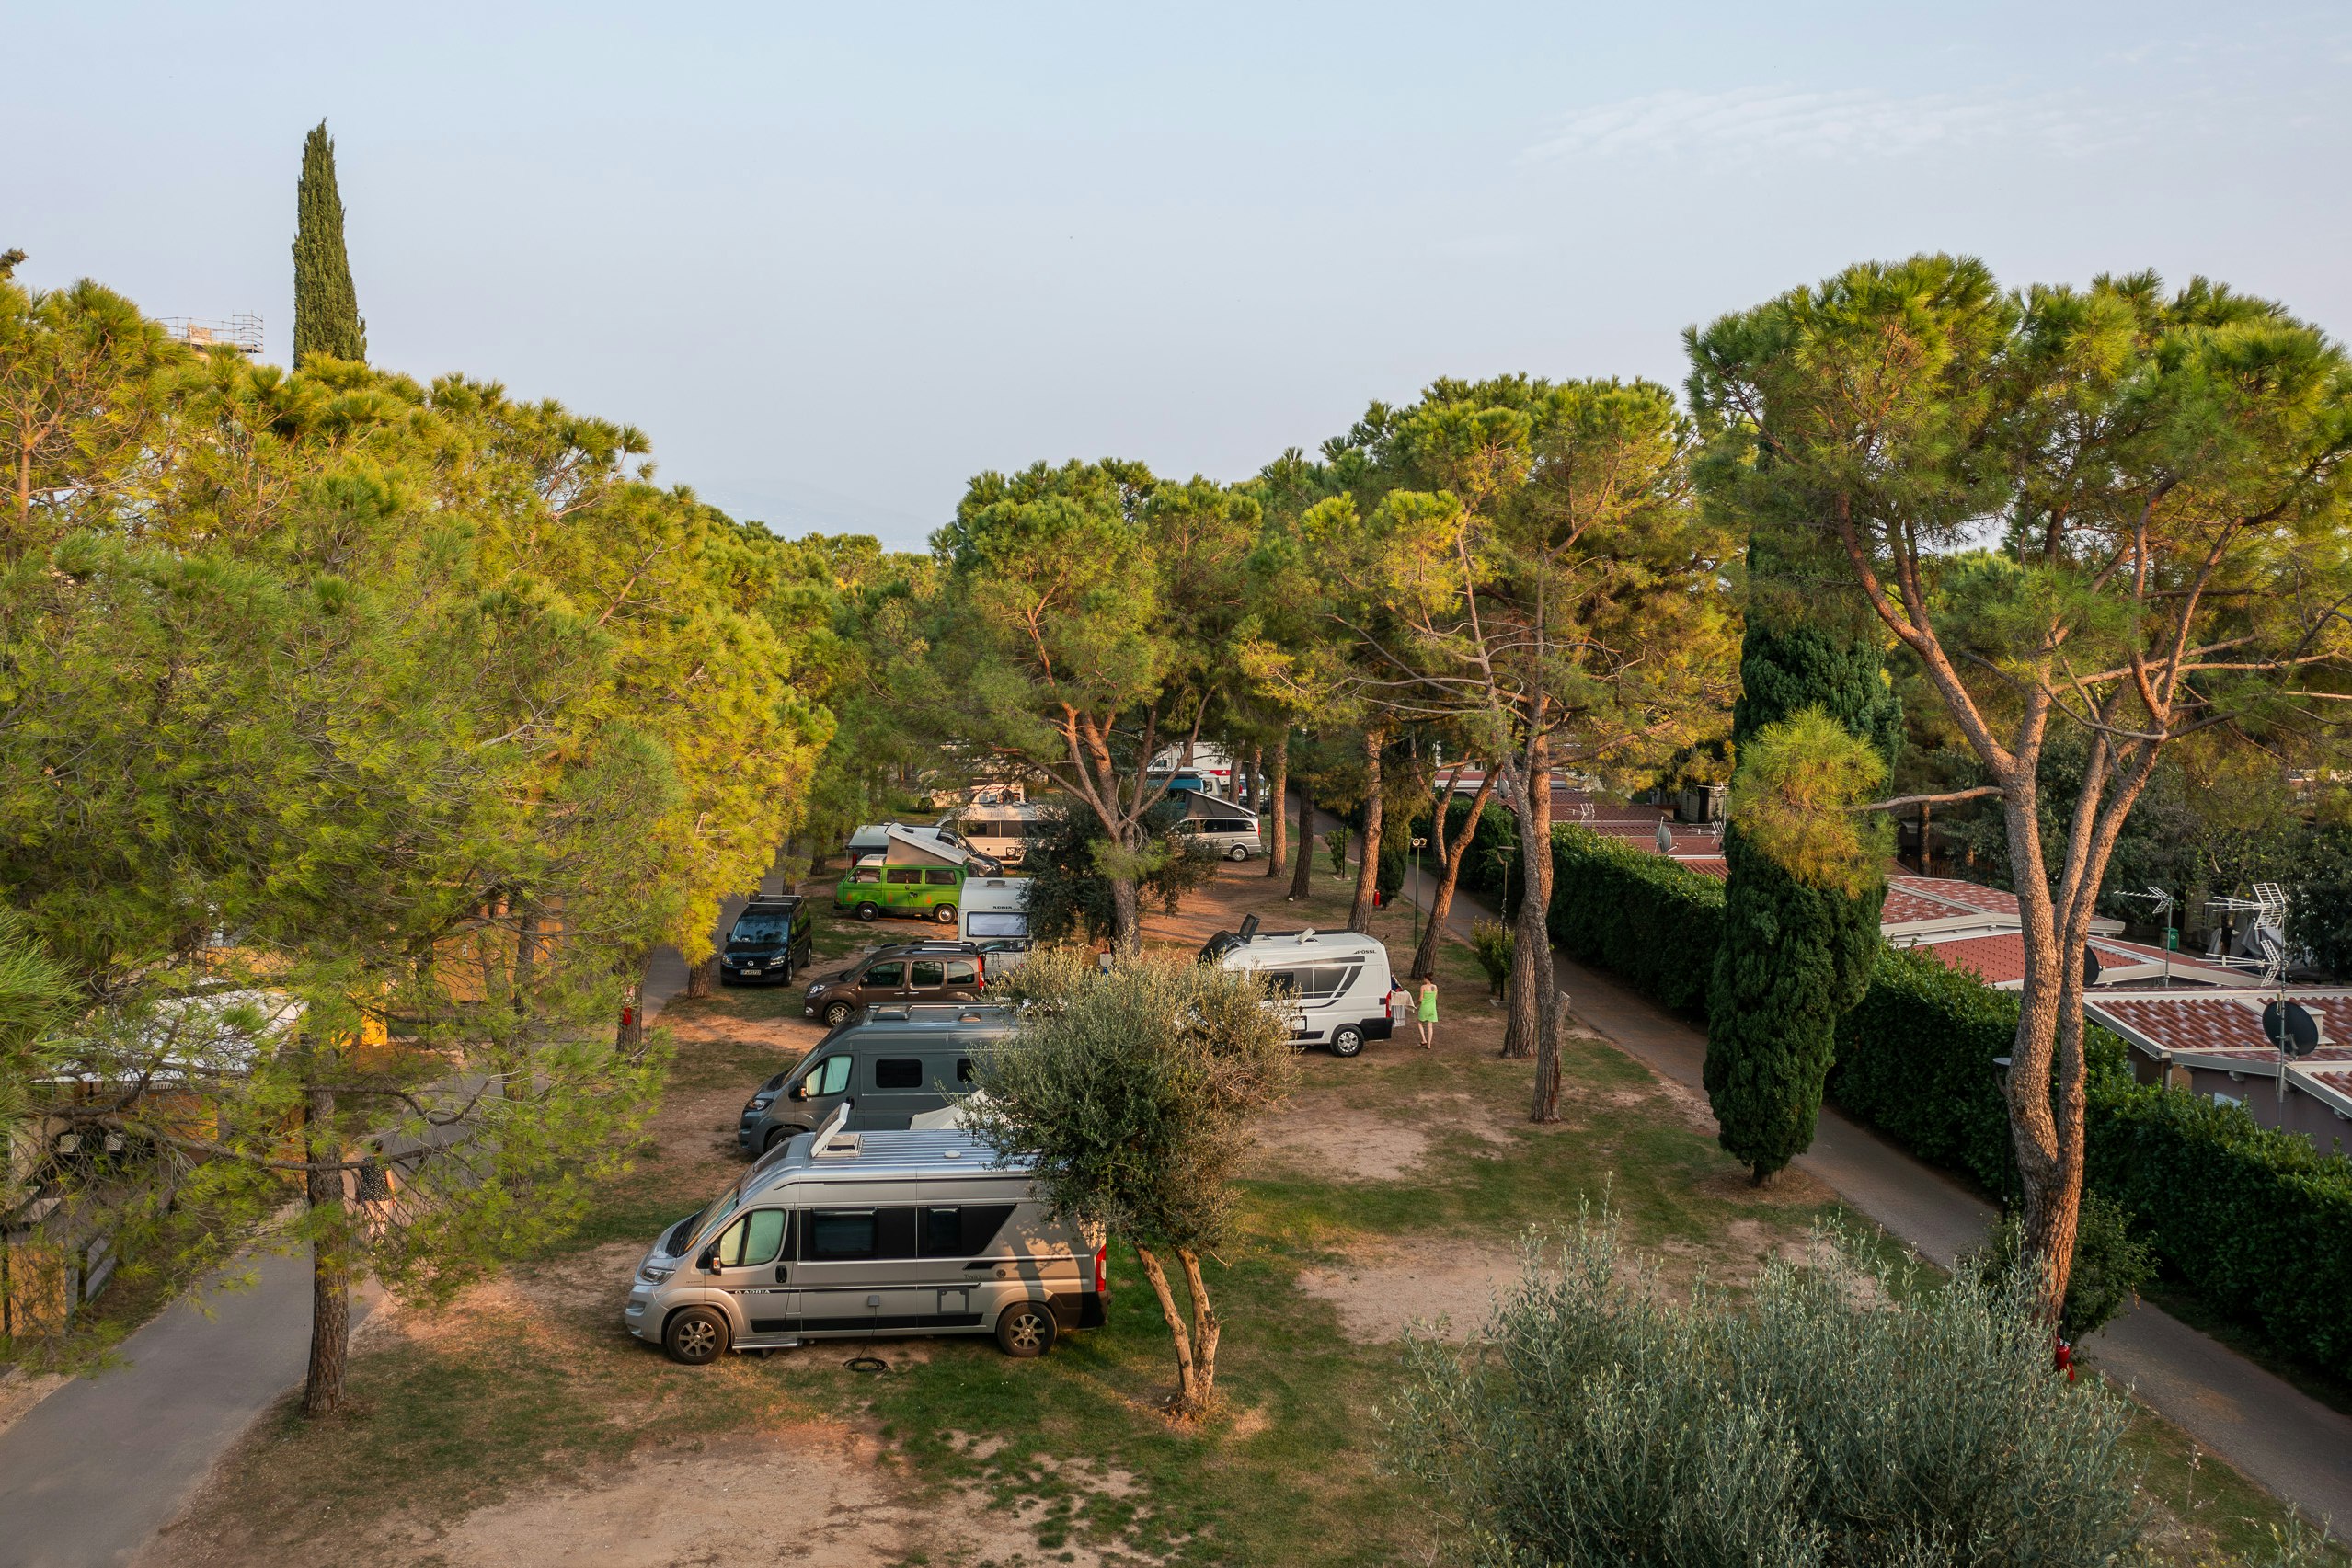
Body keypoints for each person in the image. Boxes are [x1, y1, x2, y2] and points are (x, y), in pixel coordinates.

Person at [1416, 975, 1439, 1049]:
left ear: (1426, 979)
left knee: (1419, 1022)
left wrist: (1415, 1005)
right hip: (1432, 1008)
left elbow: (1420, 999)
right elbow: (1435, 997)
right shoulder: (1435, 987)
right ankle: (1429, 1045)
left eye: (1424, 978)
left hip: (1425, 1007)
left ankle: (1424, 1039)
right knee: (1430, 1026)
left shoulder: (1423, 987)